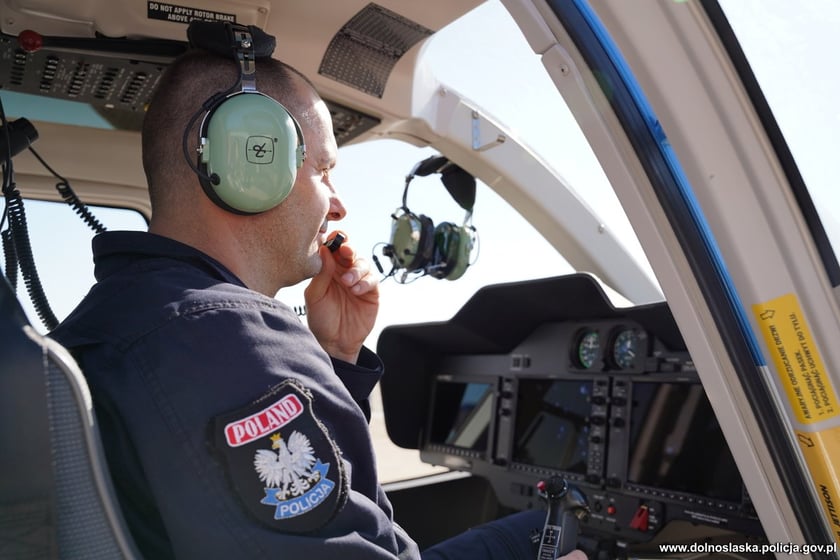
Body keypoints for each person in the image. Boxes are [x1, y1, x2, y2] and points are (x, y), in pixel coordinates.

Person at [50, 23, 587, 560]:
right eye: (325, 170)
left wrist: (335, 357)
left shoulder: (129, 319)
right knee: (558, 534)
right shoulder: (224, 336)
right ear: (250, 162)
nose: (338, 205)